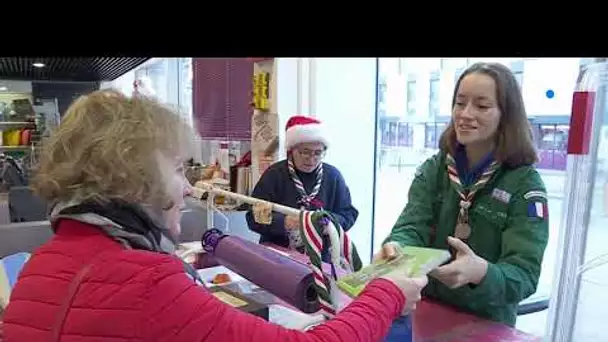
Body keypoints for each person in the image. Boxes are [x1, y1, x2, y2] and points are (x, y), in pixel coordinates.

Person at [2, 89, 428, 342]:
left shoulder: (43, 264)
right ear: (134, 179)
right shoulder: (146, 281)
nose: (188, 187)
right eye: (175, 168)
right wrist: (387, 293)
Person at [376, 62, 549, 327]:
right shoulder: (436, 168)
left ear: (506, 114)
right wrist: (397, 246)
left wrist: (482, 272)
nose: (465, 114)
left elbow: (524, 276)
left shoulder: (524, 184)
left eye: (482, 106)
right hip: (425, 312)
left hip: (485, 324)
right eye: (460, 103)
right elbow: (411, 226)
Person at [246, 115, 359, 261]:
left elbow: (348, 214)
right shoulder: (274, 175)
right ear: (292, 150)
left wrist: (327, 222)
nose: (311, 159)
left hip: (320, 258)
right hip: (277, 257)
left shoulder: (333, 176)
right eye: (305, 152)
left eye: (318, 153)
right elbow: (252, 217)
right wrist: (285, 222)